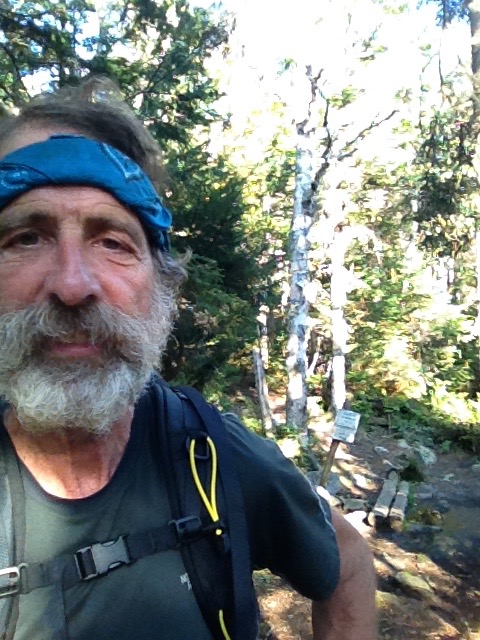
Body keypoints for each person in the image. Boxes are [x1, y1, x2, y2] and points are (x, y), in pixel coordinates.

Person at [0, 80, 376, 640]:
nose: (72, 285)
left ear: (162, 285)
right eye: (27, 237)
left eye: (113, 242)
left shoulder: (215, 457)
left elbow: (347, 564)